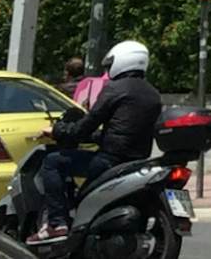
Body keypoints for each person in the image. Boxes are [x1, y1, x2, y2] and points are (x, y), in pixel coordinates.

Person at [35, 40, 162, 242]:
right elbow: (121, 130)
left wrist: (57, 131)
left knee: (52, 162)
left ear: (122, 61)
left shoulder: (115, 89)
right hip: (136, 161)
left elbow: (84, 126)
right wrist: (90, 136)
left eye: (110, 64)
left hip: (109, 160)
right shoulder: (153, 93)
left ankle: (56, 223)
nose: (109, 69)